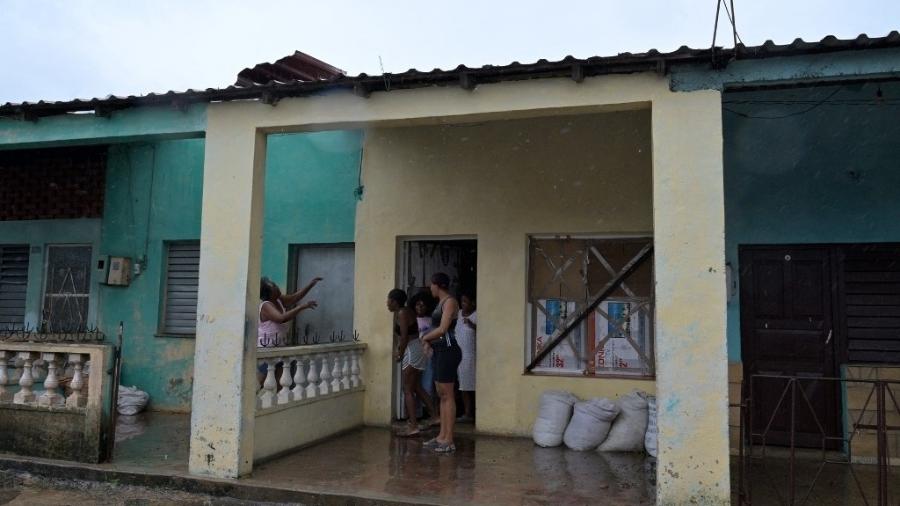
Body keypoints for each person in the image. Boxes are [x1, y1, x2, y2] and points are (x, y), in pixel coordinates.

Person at [419, 272, 462, 453]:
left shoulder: (450, 302)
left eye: (431, 284)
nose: (430, 288)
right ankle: (441, 436)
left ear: (437, 285)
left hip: (448, 350)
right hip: (439, 351)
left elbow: (443, 329)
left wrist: (425, 338)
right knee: (441, 394)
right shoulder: (440, 303)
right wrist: (428, 340)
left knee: (447, 394)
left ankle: (449, 439)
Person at [388, 289, 436, 437]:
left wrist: (399, 354)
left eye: (388, 300)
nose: (387, 303)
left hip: (411, 350)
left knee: (407, 389)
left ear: (394, 302)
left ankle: (413, 426)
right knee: (416, 387)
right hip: (416, 347)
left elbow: (403, 337)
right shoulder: (406, 311)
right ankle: (435, 415)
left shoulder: (402, 313)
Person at [257, 276, 320, 385]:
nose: (277, 287)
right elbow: (281, 318)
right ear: (269, 293)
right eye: (274, 287)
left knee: (281, 383)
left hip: (279, 349)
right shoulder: (266, 306)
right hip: (267, 350)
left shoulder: (278, 299)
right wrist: (302, 307)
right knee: (260, 382)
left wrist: (310, 285)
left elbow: (294, 298)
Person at [455, 291, 477, 423]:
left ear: (472, 303)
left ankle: (470, 413)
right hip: (458, 355)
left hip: (470, 356)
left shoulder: (476, 316)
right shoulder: (458, 314)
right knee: (462, 385)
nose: (463, 304)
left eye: (465, 301)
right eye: (461, 301)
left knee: (470, 385)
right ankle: (465, 412)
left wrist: (472, 325)